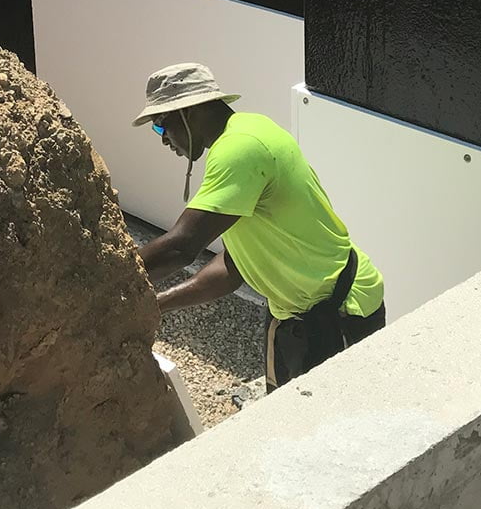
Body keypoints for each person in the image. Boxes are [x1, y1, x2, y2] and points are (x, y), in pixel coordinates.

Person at [134, 62, 386, 392]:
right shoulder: (245, 130)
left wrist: (112, 287)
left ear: (190, 111)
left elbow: (182, 246)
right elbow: (234, 265)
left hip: (341, 311)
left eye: (161, 125)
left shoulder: (240, 148)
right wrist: (156, 304)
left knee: (334, 428)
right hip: (292, 316)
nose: (164, 138)